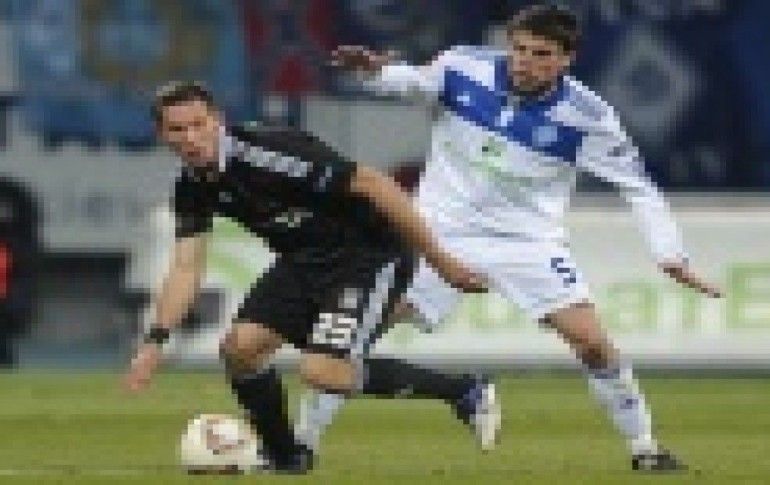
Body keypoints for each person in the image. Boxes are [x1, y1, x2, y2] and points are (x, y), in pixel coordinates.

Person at [304, 3, 723, 472]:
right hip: (439, 232)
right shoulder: (464, 66)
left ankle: (646, 449)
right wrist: (373, 74)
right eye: (519, 49)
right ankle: (301, 445)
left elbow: (638, 186)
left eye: (541, 54)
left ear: (566, 59)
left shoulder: (589, 117)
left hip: (527, 243)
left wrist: (670, 254)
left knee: (591, 342)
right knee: (357, 332)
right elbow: (413, 81)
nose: (525, 61)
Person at [124, 81, 500, 474]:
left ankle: (464, 390)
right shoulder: (192, 187)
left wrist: (439, 260)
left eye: (198, 124)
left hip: (367, 254)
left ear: (217, 120)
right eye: (178, 129)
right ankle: (286, 457)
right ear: (161, 134)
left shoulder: (271, 153)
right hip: (303, 261)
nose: (191, 138)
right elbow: (186, 268)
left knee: (322, 371)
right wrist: (154, 342)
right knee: (239, 349)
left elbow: (374, 184)